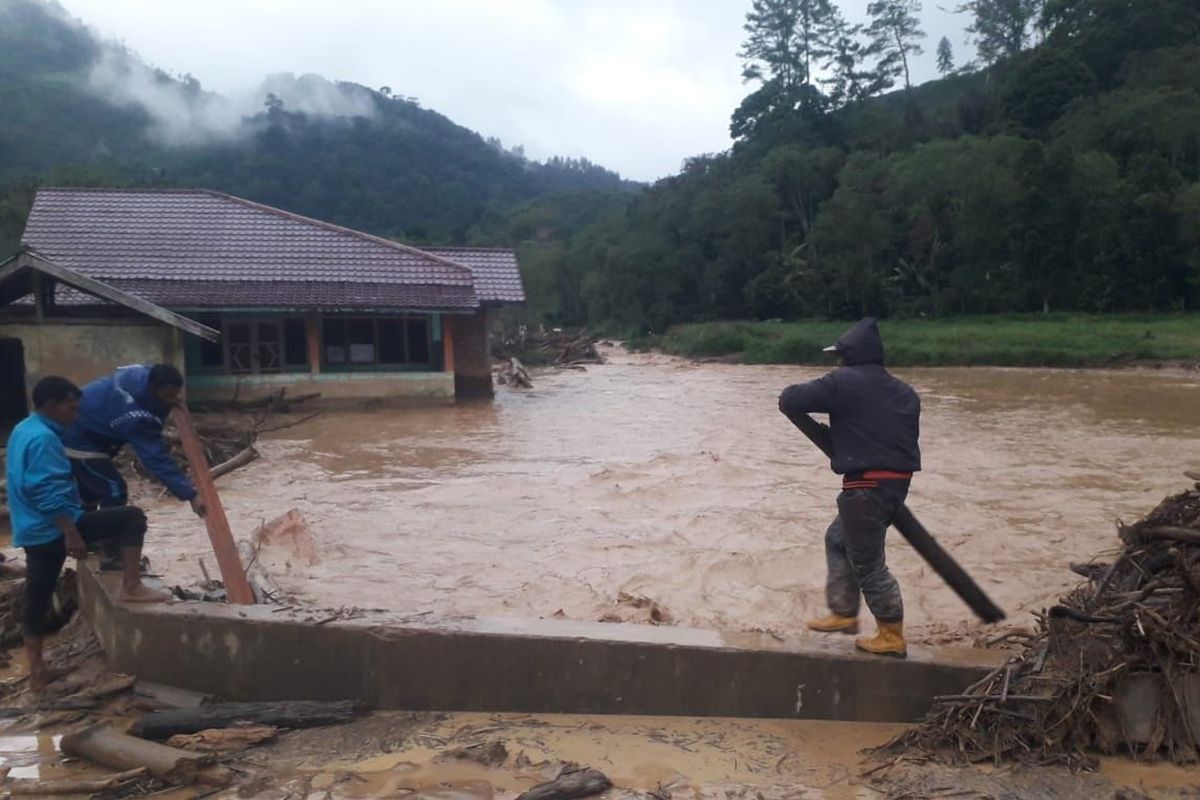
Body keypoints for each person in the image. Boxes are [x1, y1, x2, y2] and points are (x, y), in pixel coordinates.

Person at [6, 376, 168, 690]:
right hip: (51, 528)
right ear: (52, 406)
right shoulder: (44, 440)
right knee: (132, 518)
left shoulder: (23, 429)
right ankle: (131, 586)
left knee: (36, 599)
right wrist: (71, 533)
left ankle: (38, 671)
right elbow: (43, 490)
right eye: (71, 408)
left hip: (31, 527)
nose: (75, 415)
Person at [778, 318, 921, 658]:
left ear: (848, 357)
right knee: (838, 539)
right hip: (894, 487)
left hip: (865, 488)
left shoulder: (843, 382)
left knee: (869, 563)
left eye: (839, 357)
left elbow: (791, 398)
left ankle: (891, 634)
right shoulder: (905, 392)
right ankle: (843, 612)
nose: (837, 362)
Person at [63, 364, 205, 519]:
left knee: (90, 491)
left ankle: (83, 534)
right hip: (79, 439)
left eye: (176, 394)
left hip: (91, 429)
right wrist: (190, 495)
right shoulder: (136, 417)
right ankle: (108, 540)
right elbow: (155, 459)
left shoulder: (140, 373)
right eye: (168, 395)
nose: (173, 400)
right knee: (114, 490)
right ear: (153, 389)